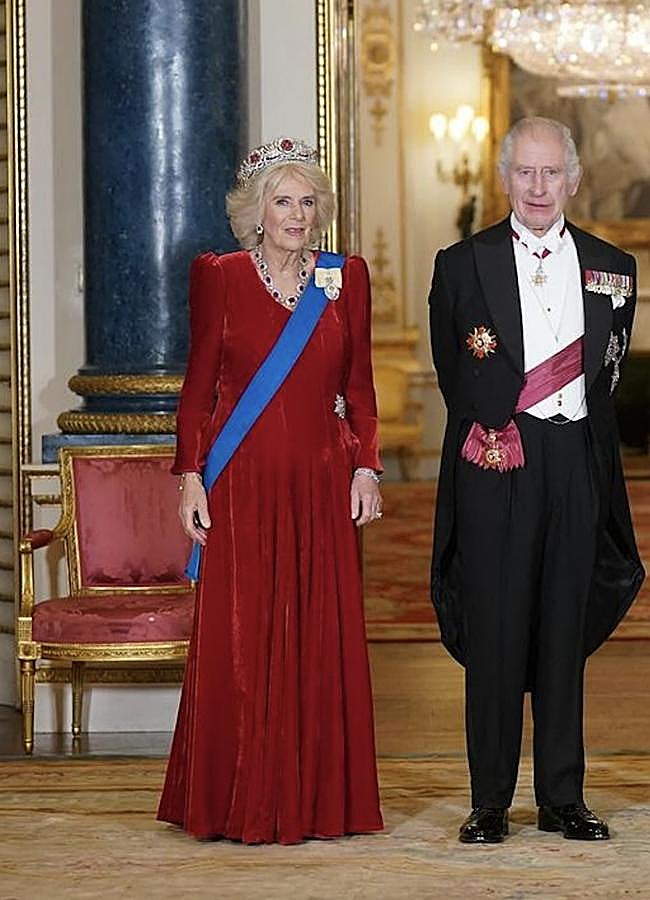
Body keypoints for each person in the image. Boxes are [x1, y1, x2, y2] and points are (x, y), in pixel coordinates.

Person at [157, 138, 384, 844]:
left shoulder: (345, 277)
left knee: (318, 638)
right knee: (242, 642)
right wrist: (190, 475)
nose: (296, 214)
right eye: (282, 202)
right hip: (243, 484)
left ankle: (319, 802)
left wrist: (367, 466)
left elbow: (361, 389)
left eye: (307, 201)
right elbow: (197, 391)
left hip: (321, 482)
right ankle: (236, 799)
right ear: (256, 213)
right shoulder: (219, 276)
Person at [428, 117, 645, 844]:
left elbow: (606, 374)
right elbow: (454, 373)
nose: (539, 186)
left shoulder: (615, 267)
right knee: (495, 628)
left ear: (574, 179)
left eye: (552, 172)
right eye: (525, 172)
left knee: (562, 629)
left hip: (575, 463)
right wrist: (495, 424)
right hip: (499, 460)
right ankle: (489, 800)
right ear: (504, 178)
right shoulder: (462, 263)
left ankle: (561, 798)